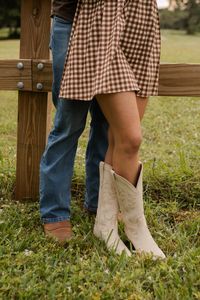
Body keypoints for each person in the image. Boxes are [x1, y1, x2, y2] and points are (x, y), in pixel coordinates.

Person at [58, 0, 165, 259]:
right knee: (131, 138)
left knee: (117, 137)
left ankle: (105, 225)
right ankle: (136, 228)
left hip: (143, 16)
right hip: (103, 14)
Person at [39, 0, 108, 243]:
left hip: (112, 24)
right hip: (71, 20)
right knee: (68, 122)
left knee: (106, 122)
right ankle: (54, 212)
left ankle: (98, 203)